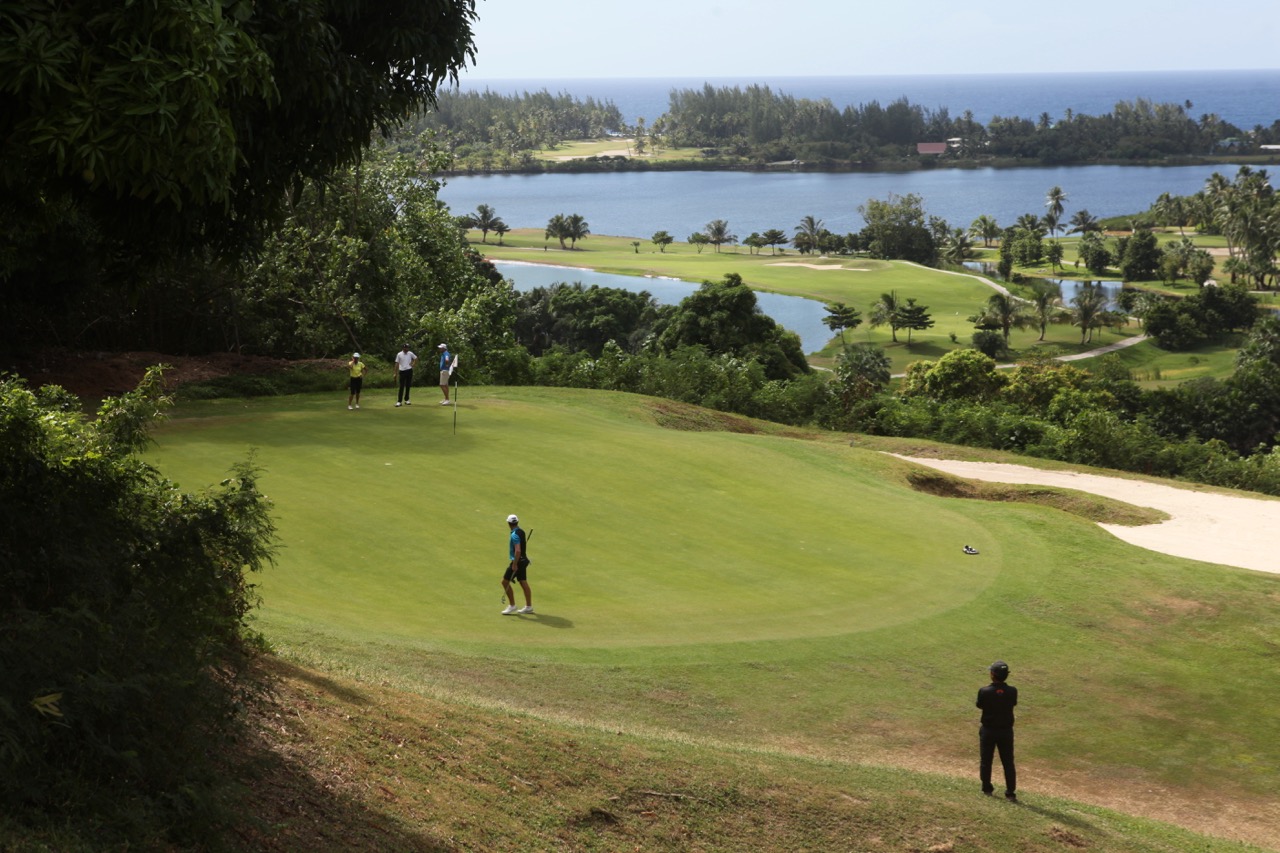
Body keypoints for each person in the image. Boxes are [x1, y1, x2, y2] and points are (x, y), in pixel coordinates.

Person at [976, 660, 1018, 801]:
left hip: (989, 730)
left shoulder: (985, 691)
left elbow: (980, 705)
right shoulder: (1012, 691)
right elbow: (1012, 703)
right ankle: (1010, 792)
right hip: (1006, 731)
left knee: (986, 760)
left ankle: (987, 788)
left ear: (993, 675)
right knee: (1008, 762)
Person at [500, 514, 533, 615]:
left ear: (509, 523)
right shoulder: (521, 531)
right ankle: (528, 606)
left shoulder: (514, 534)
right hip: (524, 560)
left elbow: (518, 551)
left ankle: (512, 605)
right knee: (523, 581)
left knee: (505, 582)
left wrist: (514, 564)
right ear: (517, 522)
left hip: (518, 561)